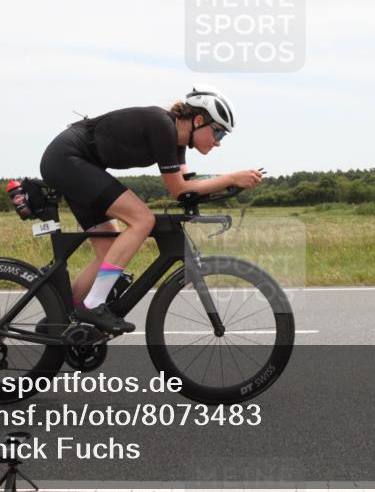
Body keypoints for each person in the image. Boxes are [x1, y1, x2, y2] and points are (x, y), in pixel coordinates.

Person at [39, 86, 262, 333]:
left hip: (76, 163)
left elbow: (188, 189)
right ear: (198, 120)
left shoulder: (177, 141)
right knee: (142, 220)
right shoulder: (162, 126)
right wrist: (231, 178)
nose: (218, 143)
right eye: (218, 133)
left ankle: (60, 319)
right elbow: (178, 189)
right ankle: (93, 305)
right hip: (67, 159)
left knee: (109, 252)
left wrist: (230, 185)